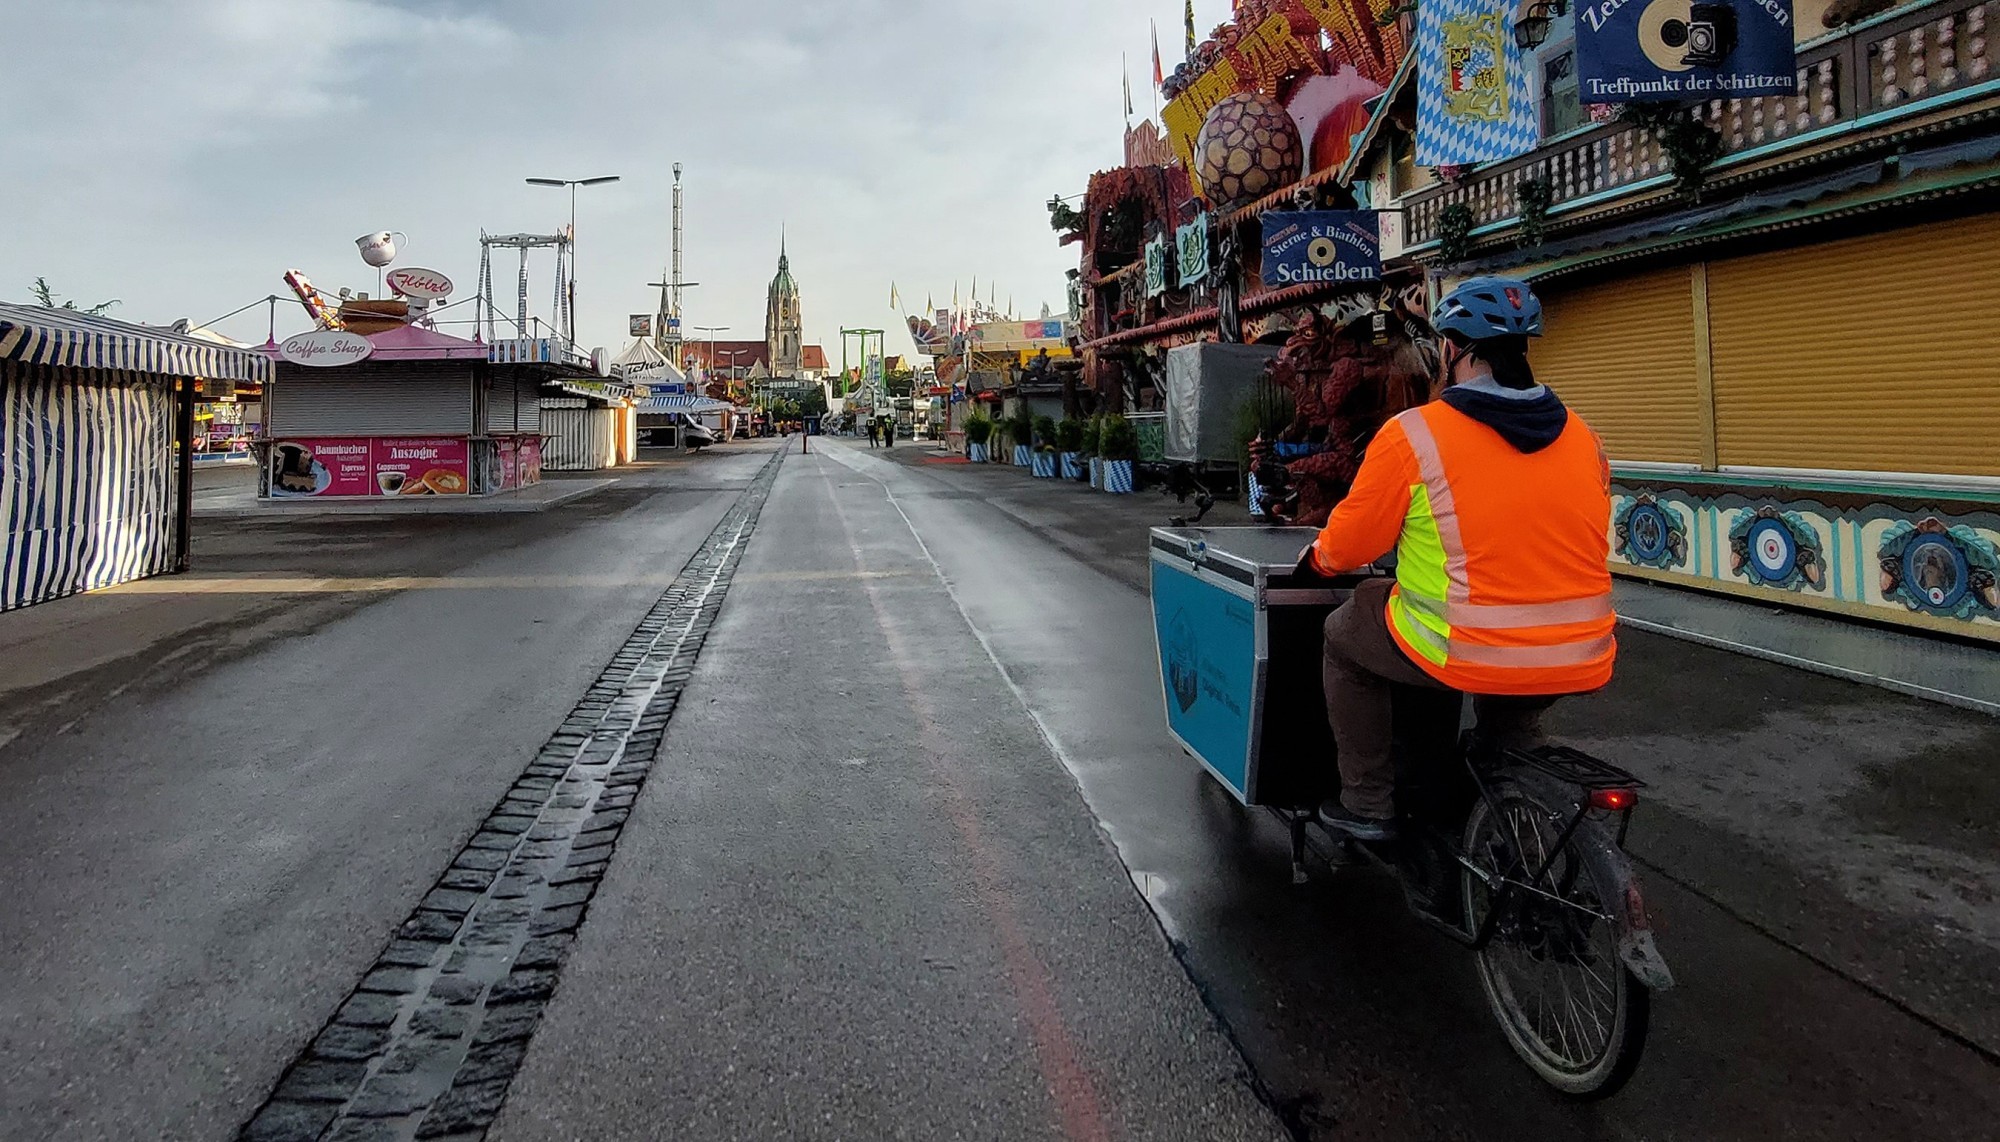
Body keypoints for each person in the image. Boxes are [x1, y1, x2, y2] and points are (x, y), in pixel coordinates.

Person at [1304, 276, 1616, 841]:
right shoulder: (1584, 437)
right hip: (1581, 649)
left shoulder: (1415, 434)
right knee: (1512, 699)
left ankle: (1368, 803)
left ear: (1451, 350)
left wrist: (1318, 562)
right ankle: (1510, 764)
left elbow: (1350, 545)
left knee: (1343, 634)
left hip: (1459, 650)